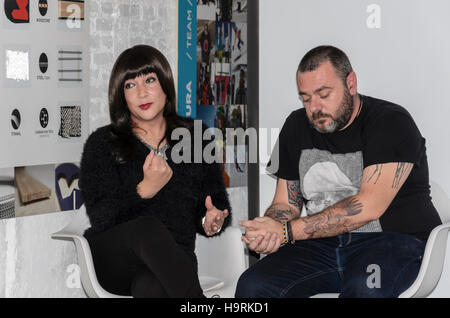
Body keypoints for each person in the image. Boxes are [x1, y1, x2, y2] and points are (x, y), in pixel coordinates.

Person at [236, 45, 442, 298]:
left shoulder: (391, 121)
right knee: (253, 286)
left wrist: (286, 232)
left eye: (324, 94)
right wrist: (271, 229)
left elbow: (367, 207)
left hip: (394, 243)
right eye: (306, 98)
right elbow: (285, 203)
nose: (315, 108)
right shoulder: (295, 125)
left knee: (366, 289)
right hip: (323, 246)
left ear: (351, 84)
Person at [79, 45, 231, 298]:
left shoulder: (196, 137)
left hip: (174, 261)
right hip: (115, 259)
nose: (141, 92)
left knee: (151, 287)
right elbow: (101, 216)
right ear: (121, 95)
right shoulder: (103, 142)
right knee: (146, 228)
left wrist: (210, 220)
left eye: (149, 80)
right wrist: (143, 190)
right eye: (130, 85)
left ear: (165, 84)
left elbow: (215, 202)